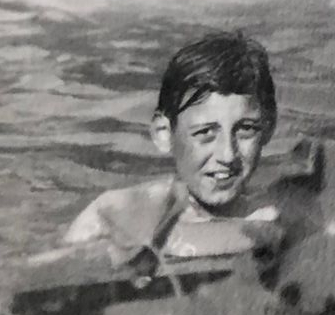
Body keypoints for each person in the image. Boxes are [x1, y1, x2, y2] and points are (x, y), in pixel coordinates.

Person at [63, 33, 279, 261]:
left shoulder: (277, 208)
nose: (227, 155)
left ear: (269, 128)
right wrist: (258, 232)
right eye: (205, 133)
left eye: (246, 129)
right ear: (164, 134)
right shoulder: (116, 212)